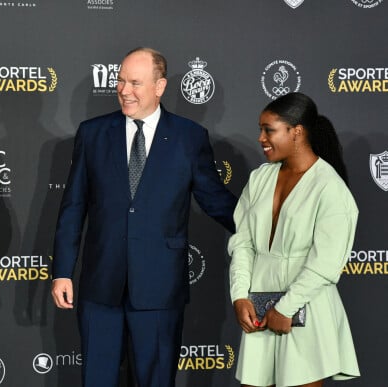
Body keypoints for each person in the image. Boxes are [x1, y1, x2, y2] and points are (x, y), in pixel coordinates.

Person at [51, 47, 237, 387]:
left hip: (159, 288)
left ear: (160, 86)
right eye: (120, 81)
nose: (124, 90)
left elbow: (216, 201)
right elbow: (73, 206)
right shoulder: (93, 133)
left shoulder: (189, 137)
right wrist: (62, 271)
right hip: (100, 285)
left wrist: (266, 229)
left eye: (135, 82)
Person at [228, 92, 360, 387]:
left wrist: (286, 308)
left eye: (269, 130)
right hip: (259, 308)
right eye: (261, 129)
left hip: (307, 307)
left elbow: (326, 263)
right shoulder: (260, 178)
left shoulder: (330, 188)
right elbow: (243, 242)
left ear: (297, 132)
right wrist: (239, 295)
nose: (261, 138)